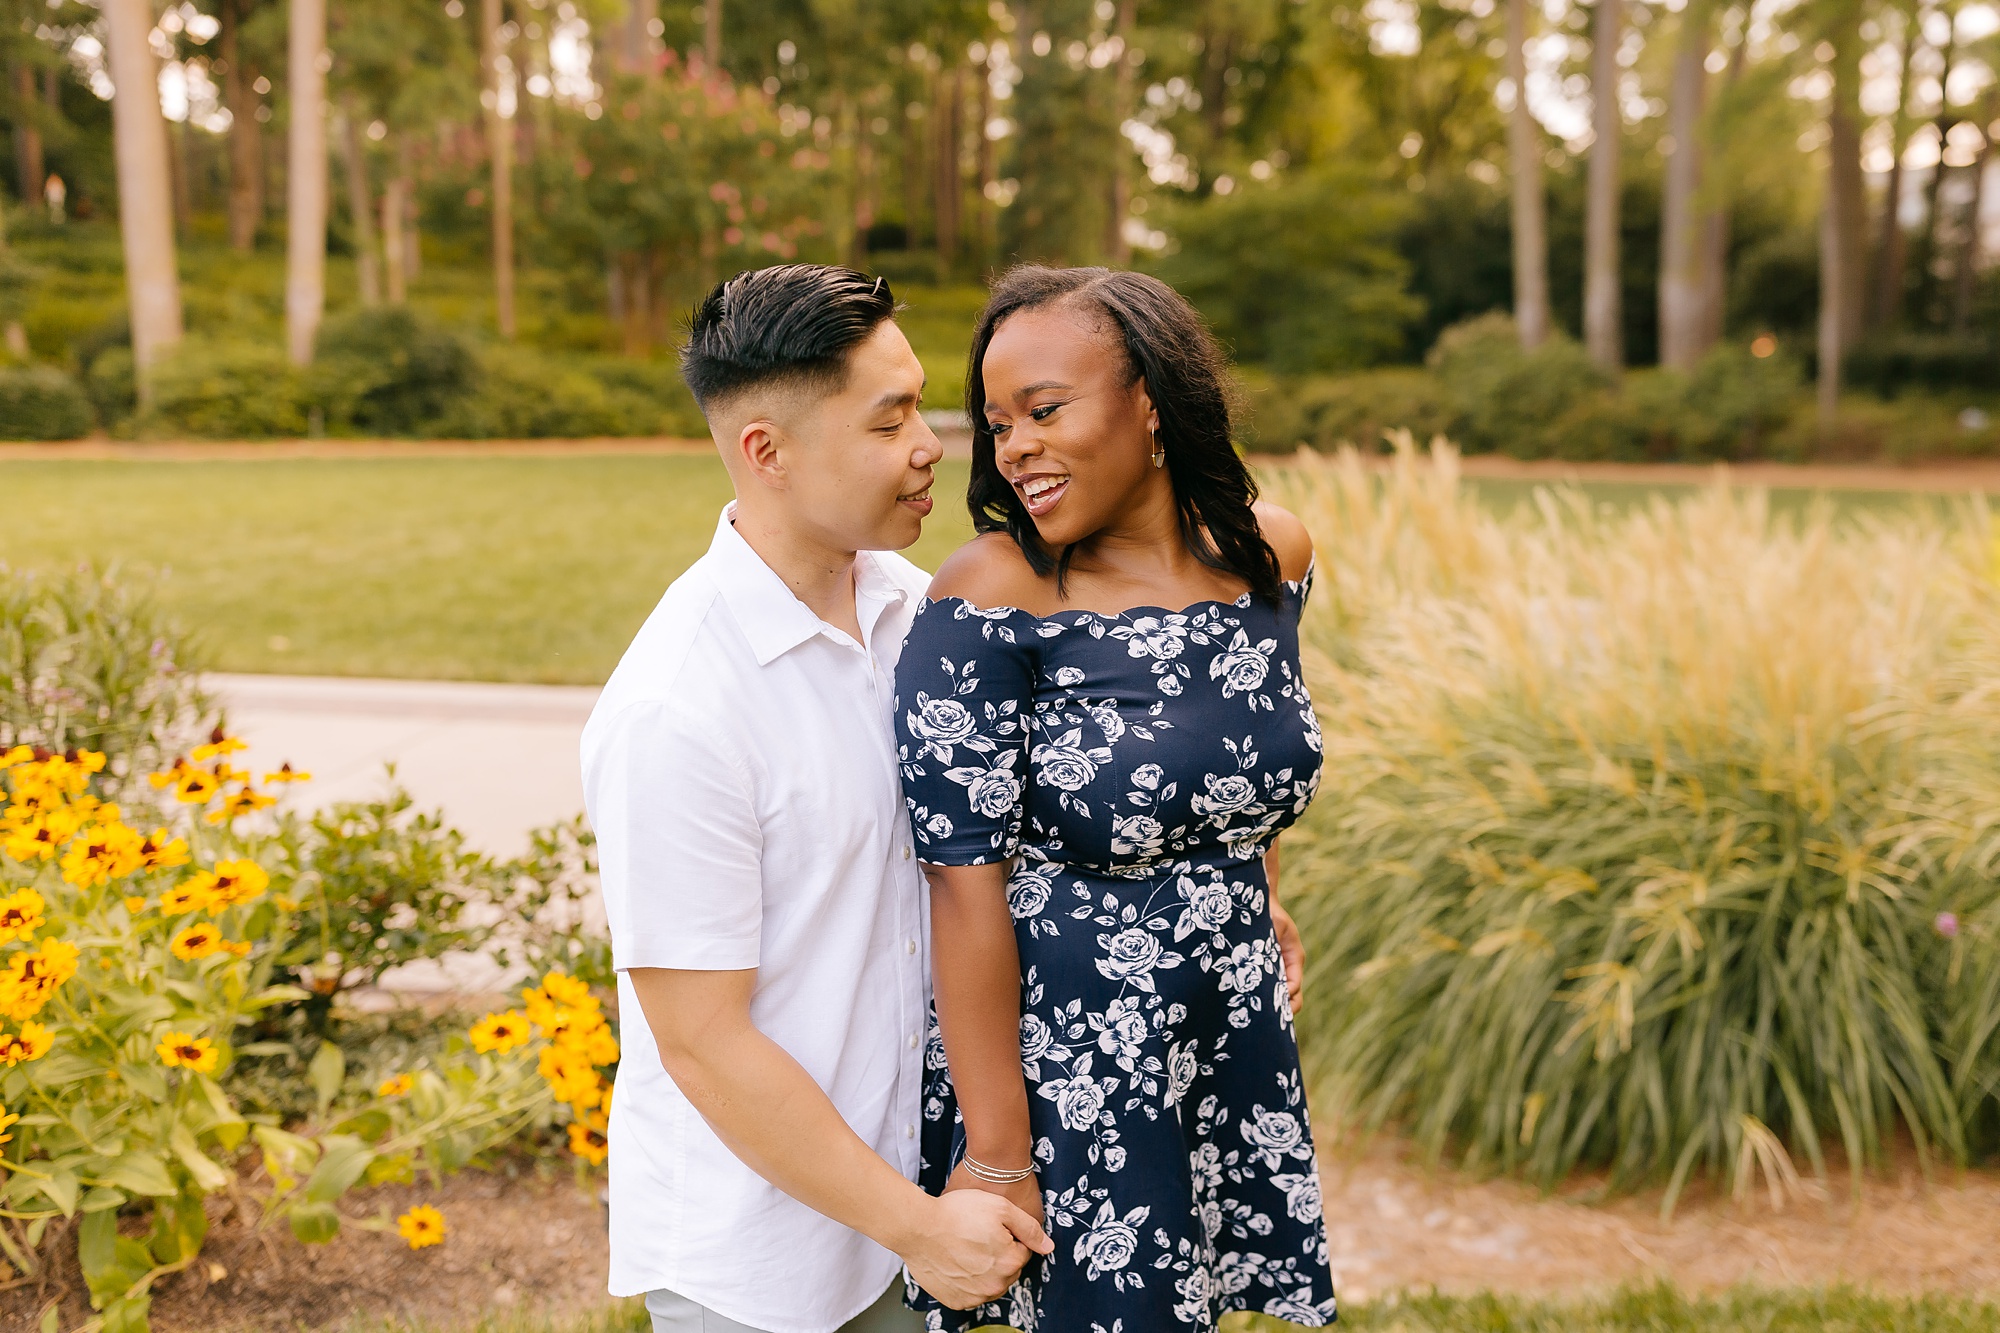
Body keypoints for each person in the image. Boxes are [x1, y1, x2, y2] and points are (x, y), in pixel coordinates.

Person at [582, 264, 1053, 1333]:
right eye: (890, 422)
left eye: (922, 408)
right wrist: (919, 1227)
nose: (932, 445)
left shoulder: (913, 610)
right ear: (767, 453)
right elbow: (703, 1039)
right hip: (764, 1266)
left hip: (922, 1203)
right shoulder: (676, 708)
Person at [892, 266, 1339, 1331]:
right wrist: (997, 1157)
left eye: (1045, 411)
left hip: (1222, 1011)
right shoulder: (993, 593)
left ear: (1147, 399)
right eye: (998, 424)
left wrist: (1258, 892)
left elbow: (1237, 755)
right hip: (1071, 1043)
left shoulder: (1268, 551)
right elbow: (961, 885)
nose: (1014, 448)